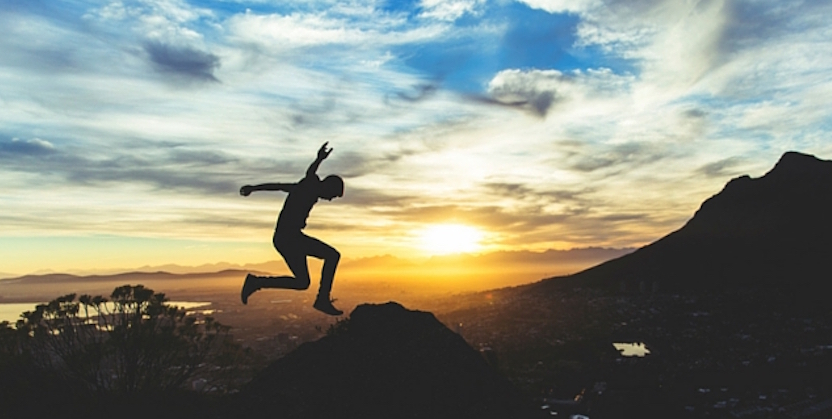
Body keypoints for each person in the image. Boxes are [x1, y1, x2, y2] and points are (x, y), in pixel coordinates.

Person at [239, 142, 345, 315]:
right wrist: (318, 159)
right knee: (332, 255)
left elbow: (281, 186)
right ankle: (322, 300)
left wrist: (254, 188)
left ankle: (256, 282)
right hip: (289, 238)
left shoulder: (308, 189)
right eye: (333, 195)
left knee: (302, 282)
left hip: (287, 239)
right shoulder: (310, 186)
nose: (331, 199)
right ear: (328, 186)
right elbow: (308, 174)